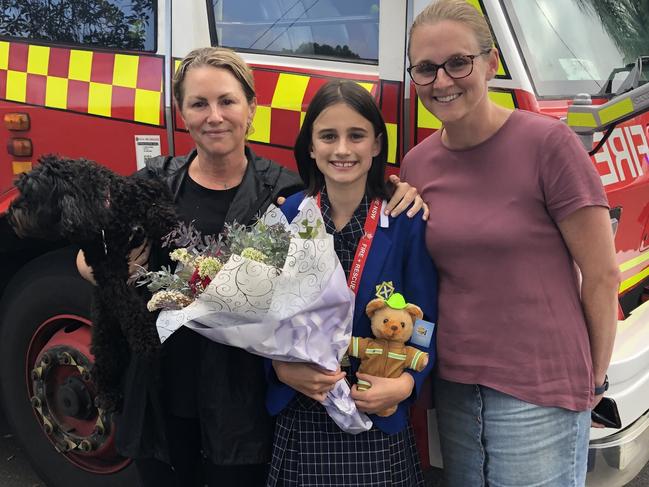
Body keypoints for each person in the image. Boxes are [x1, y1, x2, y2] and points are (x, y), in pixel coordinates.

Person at [77, 48, 425, 487]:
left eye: (227, 101)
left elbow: (342, 192)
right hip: (162, 392)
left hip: (241, 403)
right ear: (181, 113)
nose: (214, 116)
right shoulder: (152, 185)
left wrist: (394, 187)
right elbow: (90, 250)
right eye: (199, 104)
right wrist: (105, 266)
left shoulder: (285, 195)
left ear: (251, 108)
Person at [401, 1, 620, 486]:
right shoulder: (417, 165)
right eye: (426, 68)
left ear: (491, 62)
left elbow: (602, 275)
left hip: (540, 392)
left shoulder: (549, 145)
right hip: (456, 388)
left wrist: (594, 380)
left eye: (459, 62)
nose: (442, 81)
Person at [266, 80, 438, 487]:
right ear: (310, 147)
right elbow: (260, 312)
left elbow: (427, 318)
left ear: (377, 145)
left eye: (356, 136)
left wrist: (406, 384)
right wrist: (278, 368)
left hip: (375, 406)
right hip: (304, 407)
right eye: (328, 136)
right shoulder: (290, 215)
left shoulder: (405, 222)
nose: (342, 149)